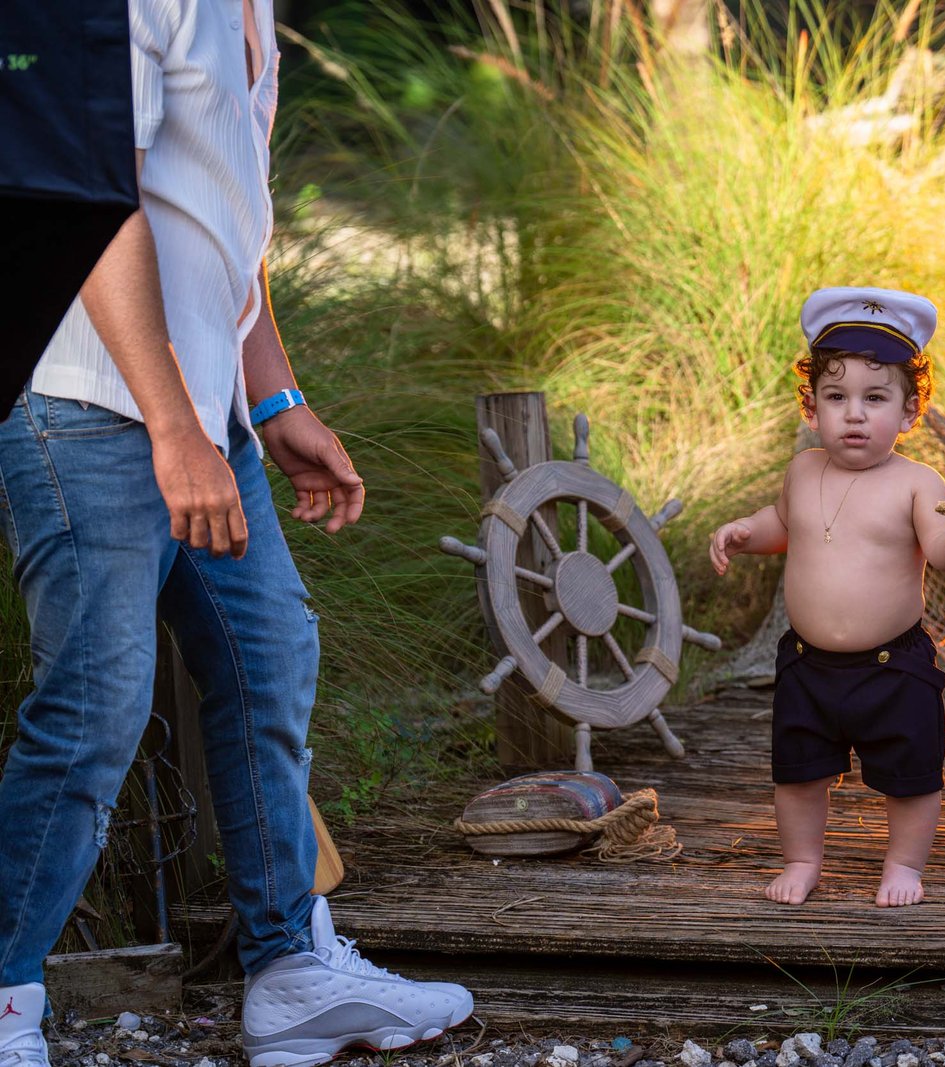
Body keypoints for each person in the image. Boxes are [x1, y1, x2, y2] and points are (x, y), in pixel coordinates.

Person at [0, 4, 472, 1067]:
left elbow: (225, 227)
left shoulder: (253, 10)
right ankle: (5, 992)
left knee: (270, 656)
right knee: (95, 709)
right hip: (86, 399)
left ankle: (290, 969)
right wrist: (176, 428)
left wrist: (273, 397)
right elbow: (92, 206)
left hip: (205, 413)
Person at [708, 286, 945, 908]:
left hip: (892, 667)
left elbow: (940, 552)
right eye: (836, 397)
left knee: (911, 775)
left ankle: (903, 865)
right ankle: (803, 859)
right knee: (798, 773)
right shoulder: (803, 471)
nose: (855, 415)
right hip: (806, 665)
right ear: (812, 408)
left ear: (910, 412)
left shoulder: (917, 483)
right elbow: (783, 525)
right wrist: (745, 533)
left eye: (875, 398)